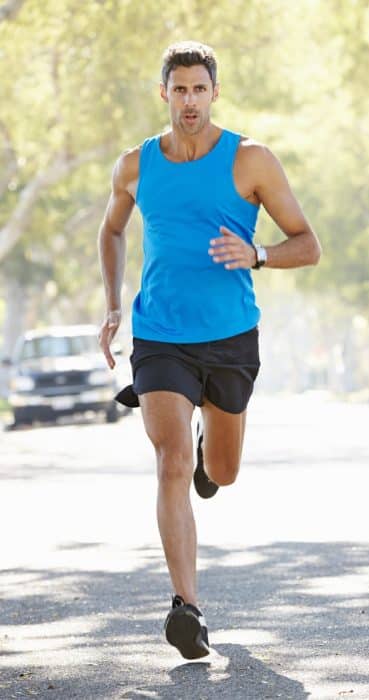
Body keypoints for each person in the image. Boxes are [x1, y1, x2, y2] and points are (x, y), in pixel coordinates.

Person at [98, 40, 321, 660]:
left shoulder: (251, 160)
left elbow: (308, 243)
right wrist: (115, 303)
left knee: (219, 471)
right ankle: (186, 608)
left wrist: (259, 254)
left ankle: (208, 454)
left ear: (214, 93)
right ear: (162, 93)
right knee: (168, 459)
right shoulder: (135, 165)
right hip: (160, 336)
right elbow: (112, 228)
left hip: (229, 338)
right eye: (179, 89)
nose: (189, 100)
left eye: (200, 89)